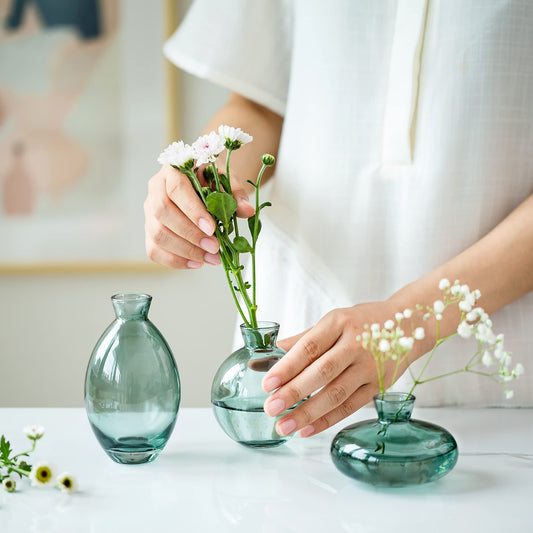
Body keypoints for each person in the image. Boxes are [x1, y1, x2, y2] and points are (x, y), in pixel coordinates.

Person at [144, 0, 533, 438]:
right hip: (298, 353)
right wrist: (206, 184)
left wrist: (405, 321)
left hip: (499, 378)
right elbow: (260, 103)